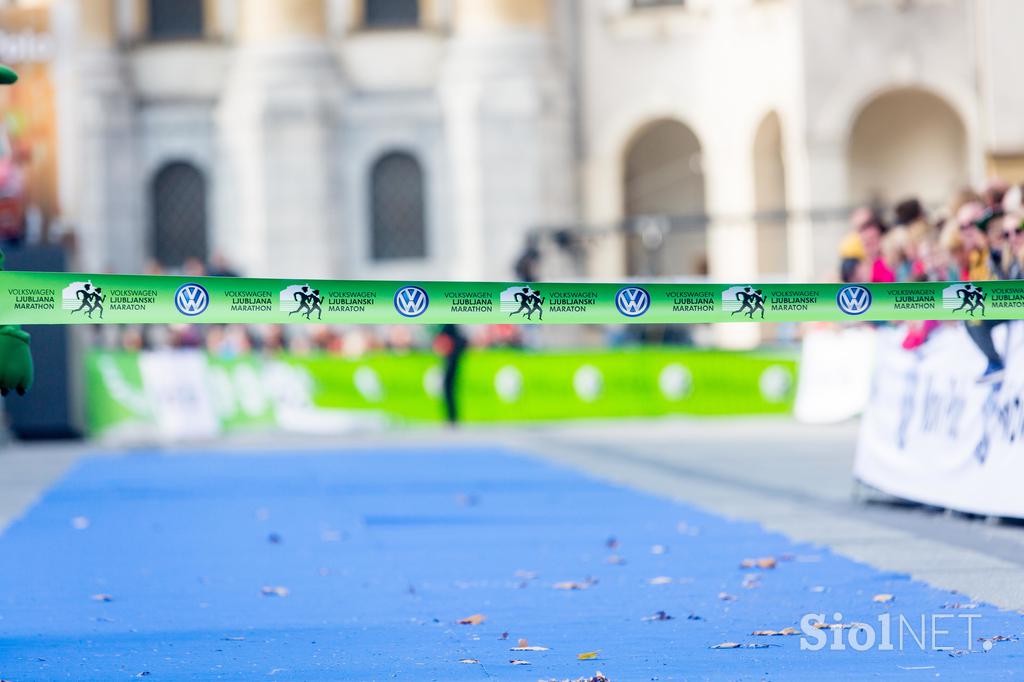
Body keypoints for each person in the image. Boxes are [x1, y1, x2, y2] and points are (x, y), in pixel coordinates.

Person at [433, 324, 467, 425]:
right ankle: (451, 417)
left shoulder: (451, 330)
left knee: (449, 387)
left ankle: (452, 417)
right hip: (452, 356)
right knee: (448, 388)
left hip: (454, 356)